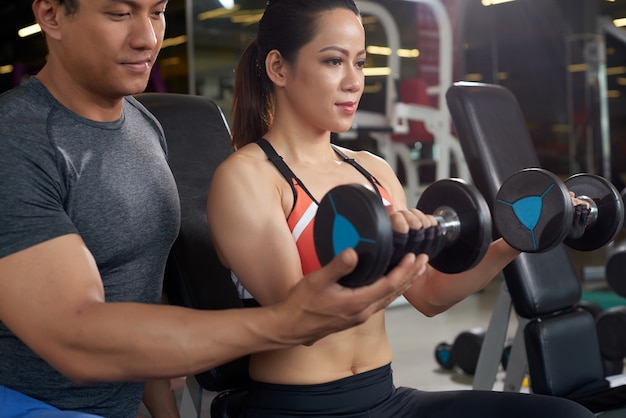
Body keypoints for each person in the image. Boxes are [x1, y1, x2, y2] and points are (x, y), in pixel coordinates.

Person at [0, 0, 427, 417]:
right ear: (51, 15)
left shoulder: (143, 128)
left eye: (157, 12)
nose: (147, 38)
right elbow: (78, 341)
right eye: (119, 13)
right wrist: (285, 322)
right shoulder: (15, 140)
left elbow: (141, 292)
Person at [206, 1, 596, 417]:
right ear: (278, 68)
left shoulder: (374, 171)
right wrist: (391, 255)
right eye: (334, 61)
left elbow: (430, 295)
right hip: (300, 407)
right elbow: (301, 320)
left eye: (360, 63)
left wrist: (520, 236)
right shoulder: (247, 178)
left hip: (387, 399)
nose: (354, 81)